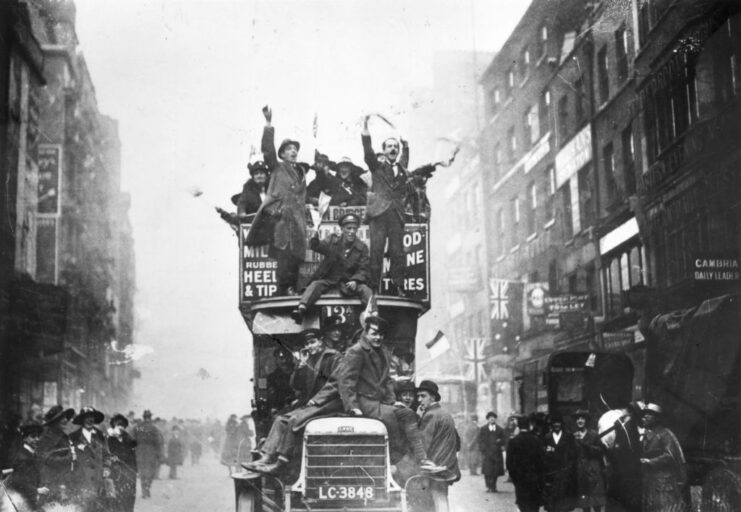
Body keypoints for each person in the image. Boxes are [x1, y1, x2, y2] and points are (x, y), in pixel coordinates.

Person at [335, 315, 443, 471]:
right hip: (364, 403)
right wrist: (353, 407)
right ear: (365, 332)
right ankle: (404, 460)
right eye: (374, 333)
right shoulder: (356, 351)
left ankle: (420, 460)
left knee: (407, 413)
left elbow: (386, 381)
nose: (378, 337)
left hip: (378, 403)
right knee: (402, 417)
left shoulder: (382, 352)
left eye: (381, 334)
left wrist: (393, 402)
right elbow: (346, 382)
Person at [244, 329, 342, 475]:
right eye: (307, 344)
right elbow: (296, 385)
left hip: (330, 403)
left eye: (312, 342)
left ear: (321, 341)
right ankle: (267, 456)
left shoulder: (334, 357)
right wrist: (300, 366)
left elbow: (336, 383)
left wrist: (317, 399)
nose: (309, 346)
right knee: (280, 420)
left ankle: (281, 463)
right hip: (314, 405)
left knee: (295, 420)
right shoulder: (310, 359)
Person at [246, 105, 307, 295]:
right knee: (283, 258)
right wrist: (268, 124)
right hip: (281, 224)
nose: (293, 151)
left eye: (295, 149)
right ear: (282, 154)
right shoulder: (277, 167)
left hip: (298, 224)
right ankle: (281, 293)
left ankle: (292, 292)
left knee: (296, 259)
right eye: (289, 149)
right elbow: (267, 150)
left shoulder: (301, 172)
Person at [290, 213, 376, 323]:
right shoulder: (332, 240)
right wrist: (316, 230)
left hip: (349, 282)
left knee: (366, 290)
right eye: (348, 228)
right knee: (315, 285)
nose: (351, 231)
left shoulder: (362, 247)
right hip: (329, 279)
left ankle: (374, 315)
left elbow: (364, 268)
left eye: (354, 228)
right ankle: (301, 310)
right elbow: (316, 246)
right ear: (342, 228)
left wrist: (355, 280)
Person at [361, 115, 410, 296]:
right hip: (379, 215)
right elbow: (367, 151)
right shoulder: (376, 167)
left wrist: (405, 144)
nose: (393, 149)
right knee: (376, 251)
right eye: (389, 146)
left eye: (395, 147)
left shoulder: (402, 168)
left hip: (396, 215)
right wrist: (365, 127)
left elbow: (406, 155)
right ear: (384, 150)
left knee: (397, 252)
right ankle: (374, 287)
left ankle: (398, 286)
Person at [414, 380, 462, 512]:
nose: (419, 400)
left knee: (436, 500)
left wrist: (418, 419)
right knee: (442, 498)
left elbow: (422, 445)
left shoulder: (430, 415)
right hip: (446, 465)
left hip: (435, 467)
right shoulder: (446, 414)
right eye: (418, 396)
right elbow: (458, 443)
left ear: (433, 397)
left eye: (423, 396)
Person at [639, 403, 689, 512]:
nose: (645, 416)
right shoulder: (647, 435)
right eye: (645, 414)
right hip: (650, 481)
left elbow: (670, 456)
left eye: (650, 414)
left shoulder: (665, 434)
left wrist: (650, 462)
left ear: (656, 418)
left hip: (663, 483)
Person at [69, 407, 110, 512]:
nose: (90, 420)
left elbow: (106, 455)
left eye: (92, 417)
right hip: (81, 480)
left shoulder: (100, 436)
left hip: (98, 480)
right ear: (82, 420)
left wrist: (106, 468)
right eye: (86, 417)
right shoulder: (74, 437)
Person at [37, 405, 75, 507]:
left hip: (63, 483)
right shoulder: (46, 438)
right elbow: (45, 458)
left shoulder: (64, 436)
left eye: (65, 418)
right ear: (54, 422)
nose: (66, 420)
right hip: (49, 483)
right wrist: (69, 458)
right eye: (62, 418)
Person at [507, 415, 545, 512]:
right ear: (529, 426)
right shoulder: (537, 440)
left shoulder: (513, 441)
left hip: (520, 479)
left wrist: (515, 478)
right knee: (533, 506)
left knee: (523, 505)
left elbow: (509, 464)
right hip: (534, 479)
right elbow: (542, 462)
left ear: (518, 427)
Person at [571, 410, 606, 512]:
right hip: (581, 473)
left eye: (582, 418)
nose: (580, 421)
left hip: (594, 472)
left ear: (586, 421)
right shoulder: (573, 436)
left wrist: (585, 445)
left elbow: (600, 451)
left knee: (596, 503)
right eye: (578, 419)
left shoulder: (594, 434)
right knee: (584, 504)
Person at [543, 414, 578, 512]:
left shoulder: (568, 436)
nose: (556, 425)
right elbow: (544, 455)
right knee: (552, 504)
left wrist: (569, 468)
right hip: (551, 474)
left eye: (558, 422)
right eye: (554, 423)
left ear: (562, 424)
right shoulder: (547, 437)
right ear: (552, 424)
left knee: (564, 503)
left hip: (565, 474)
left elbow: (573, 454)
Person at [8, 422, 47, 510]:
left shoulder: (32, 454)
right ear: (25, 438)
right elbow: (19, 481)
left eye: (38, 436)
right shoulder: (23, 457)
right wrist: (36, 491)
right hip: (22, 499)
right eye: (33, 436)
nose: (37, 439)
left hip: (31, 497)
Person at [106, 414, 138, 512]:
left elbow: (134, 445)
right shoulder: (109, 439)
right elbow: (106, 453)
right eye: (118, 425)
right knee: (116, 500)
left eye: (122, 425)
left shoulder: (127, 439)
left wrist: (135, 471)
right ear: (113, 426)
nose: (120, 427)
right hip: (116, 473)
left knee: (129, 499)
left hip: (129, 473)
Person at [133, 410, 162, 499]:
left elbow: (133, 440)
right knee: (151, 471)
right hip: (151, 452)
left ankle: (144, 490)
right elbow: (158, 442)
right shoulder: (154, 428)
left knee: (142, 472)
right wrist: (159, 453)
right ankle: (147, 488)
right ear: (150, 417)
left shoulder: (137, 427)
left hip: (140, 452)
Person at [478, 411, 506, 492]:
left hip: (496, 453)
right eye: (490, 418)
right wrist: (483, 449)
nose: (492, 419)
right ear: (488, 419)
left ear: (495, 419)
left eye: (493, 418)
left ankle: (493, 486)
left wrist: (500, 441)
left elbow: (504, 440)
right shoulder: (483, 429)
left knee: (495, 470)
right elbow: (480, 440)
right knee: (487, 470)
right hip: (487, 453)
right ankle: (488, 486)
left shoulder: (500, 429)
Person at [265, 348, 297, 414]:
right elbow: (272, 396)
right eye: (281, 358)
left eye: (286, 358)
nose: (284, 361)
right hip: (280, 408)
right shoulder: (272, 377)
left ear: (291, 358)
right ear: (276, 360)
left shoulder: (299, 372)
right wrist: (273, 408)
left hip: (297, 406)